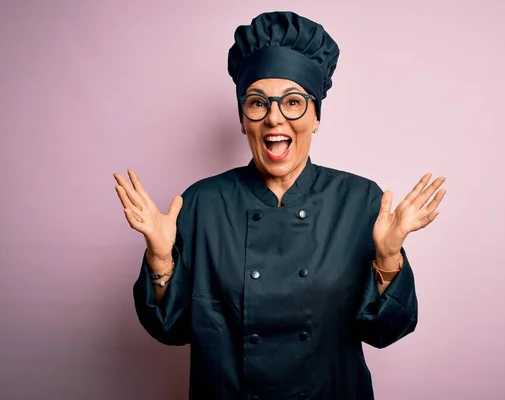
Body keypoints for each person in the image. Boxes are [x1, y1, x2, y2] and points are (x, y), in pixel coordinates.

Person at [113, 11, 446, 400]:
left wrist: (388, 257)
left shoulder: (360, 202)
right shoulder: (201, 204)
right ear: (243, 119)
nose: (274, 117)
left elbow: (385, 332)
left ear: (316, 115)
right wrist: (160, 259)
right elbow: (171, 331)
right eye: (257, 103)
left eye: (292, 102)